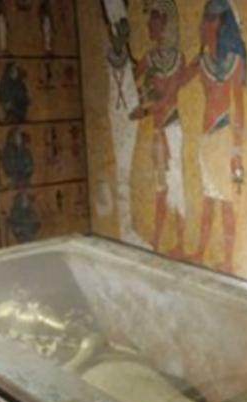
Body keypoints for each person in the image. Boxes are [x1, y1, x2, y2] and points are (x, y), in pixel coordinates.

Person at [187, 0, 247, 273]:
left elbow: (240, 107)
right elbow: (179, 79)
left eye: (208, 21)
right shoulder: (203, 61)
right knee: (208, 199)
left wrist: (236, 153)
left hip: (223, 136)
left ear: (220, 26)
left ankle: (229, 260)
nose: (203, 26)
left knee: (224, 201)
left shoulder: (233, 63)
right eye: (203, 20)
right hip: (206, 139)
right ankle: (200, 251)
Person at [131, 0, 193, 256]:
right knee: (160, 187)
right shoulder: (149, 58)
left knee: (174, 185)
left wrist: (144, 109)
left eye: (154, 19)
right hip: (158, 131)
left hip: (171, 128)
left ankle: (177, 241)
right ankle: (156, 242)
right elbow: (132, 79)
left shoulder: (177, 59)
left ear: (165, 23)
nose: (149, 25)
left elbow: (166, 100)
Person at [101, 0, 148, 247]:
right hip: (123, 116)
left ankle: (127, 229)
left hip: (127, 114)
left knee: (126, 176)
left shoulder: (120, 51)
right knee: (123, 176)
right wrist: (138, 110)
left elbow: (129, 77)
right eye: (122, 27)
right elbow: (122, 84)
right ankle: (125, 230)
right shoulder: (113, 51)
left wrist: (144, 66)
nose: (126, 31)